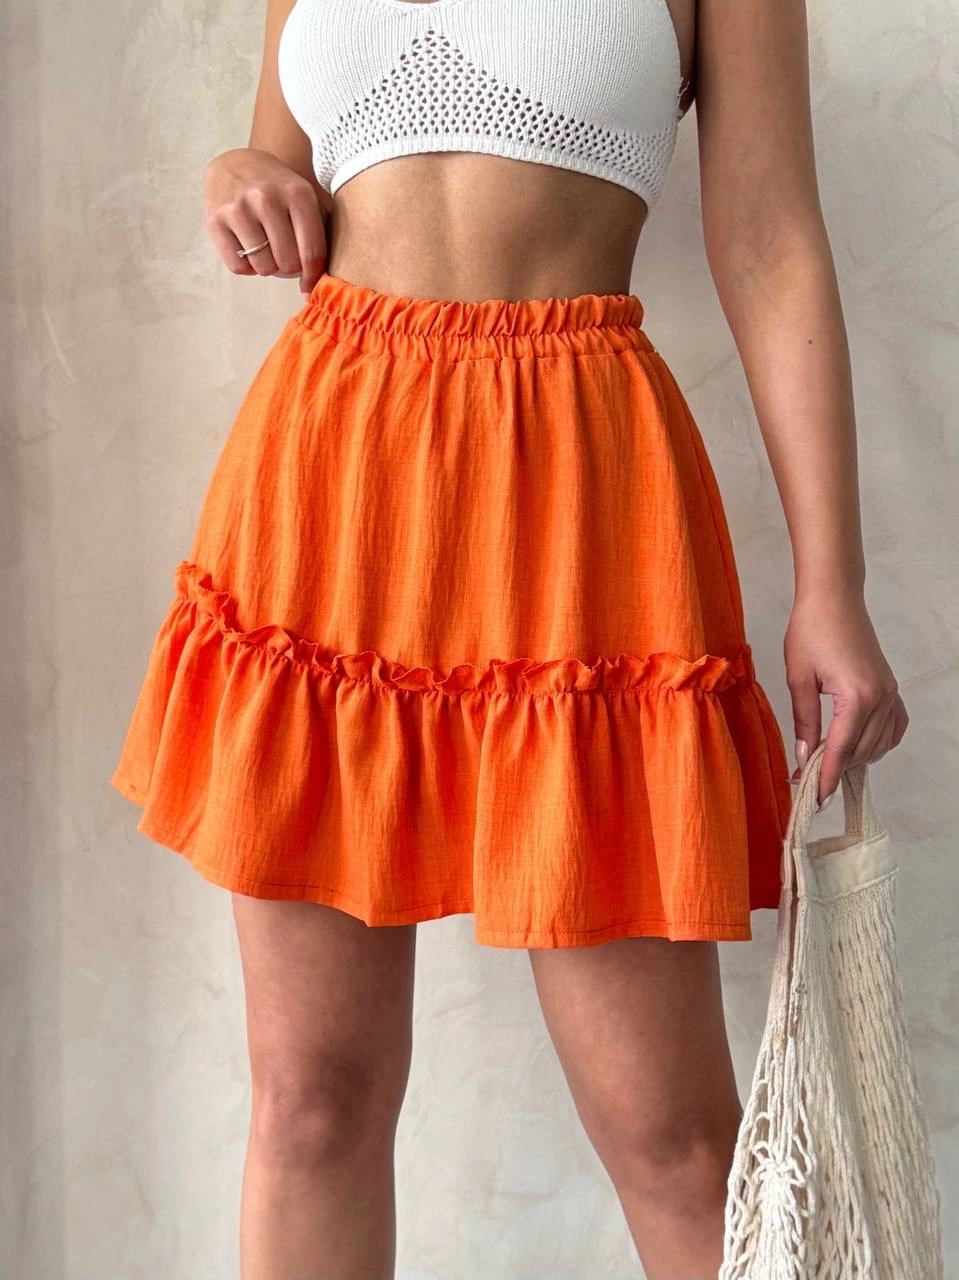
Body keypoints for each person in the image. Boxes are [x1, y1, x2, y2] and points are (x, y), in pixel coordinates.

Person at [110, 0, 909, 1275]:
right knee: (310, 1097)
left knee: (669, 1137)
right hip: (336, 480)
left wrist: (832, 579)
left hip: (580, 493)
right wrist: (236, 174)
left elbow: (766, 243)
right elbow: (280, 160)